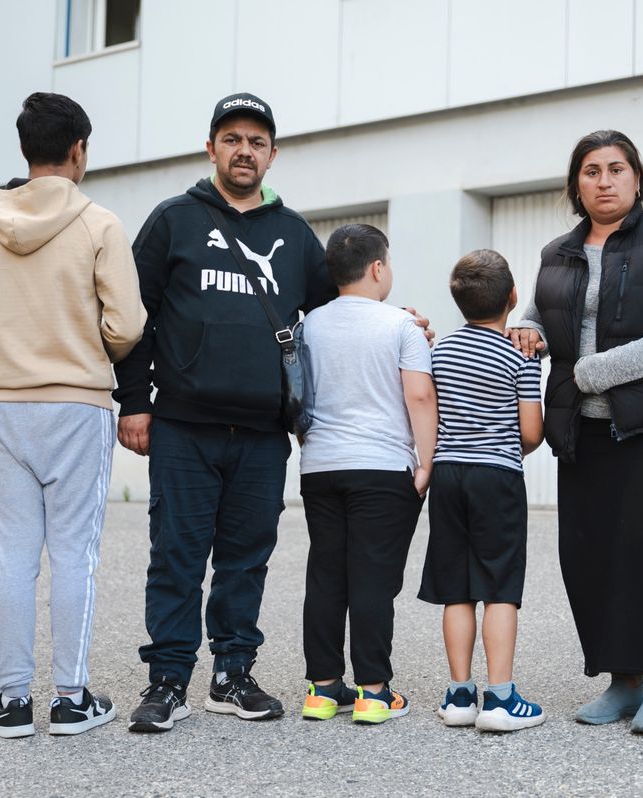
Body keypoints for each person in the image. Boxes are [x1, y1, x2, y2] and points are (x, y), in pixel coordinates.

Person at [113, 94, 431, 732]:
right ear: (211, 149)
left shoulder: (293, 234)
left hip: (262, 432)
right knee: (176, 553)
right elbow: (133, 318)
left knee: (245, 557)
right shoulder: (172, 220)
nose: (244, 151)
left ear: (272, 155)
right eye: (232, 139)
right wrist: (135, 403)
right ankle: (168, 679)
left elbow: (338, 308)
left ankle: (231, 674)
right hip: (183, 424)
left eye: (257, 142)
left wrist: (401, 320)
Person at [0, 91, 145, 738]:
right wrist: (83, 343)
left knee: (14, 556)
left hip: (8, 406)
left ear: (27, 150)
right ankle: (69, 699)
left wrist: (15, 341)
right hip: (77, 407)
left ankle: (9, 702)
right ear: (78, 150)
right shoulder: (99, 225)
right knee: (74, 554)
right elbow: (128, 325)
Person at [510, 129, 643, 735]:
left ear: (637, 177)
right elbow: (542, 312)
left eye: (616, 168)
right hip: (581, 428)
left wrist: (599, 371)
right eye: (591, 170)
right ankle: (622, 680)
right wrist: (530, 333)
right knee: (590, 554)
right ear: (576, 183)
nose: (604, 180)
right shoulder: (558, 252)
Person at [297, 224, 437, 725]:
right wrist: (426, 462)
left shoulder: (308, 324)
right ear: (378, 268)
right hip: (381, 467)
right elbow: (419, 395)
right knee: (374, 578)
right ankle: (374, 692)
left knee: (327, 575)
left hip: (321, 467)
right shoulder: (401, 326)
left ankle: (322, 688)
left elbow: (299, 395)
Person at [418, 249, 546, 732]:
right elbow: (531, 432)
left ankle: (458, 696)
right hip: (497, 478)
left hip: (449, 476)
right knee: (499, 588)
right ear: (513, 297)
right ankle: (500, 699)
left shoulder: (441, 351)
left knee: (457, 587)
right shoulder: (522, 354)